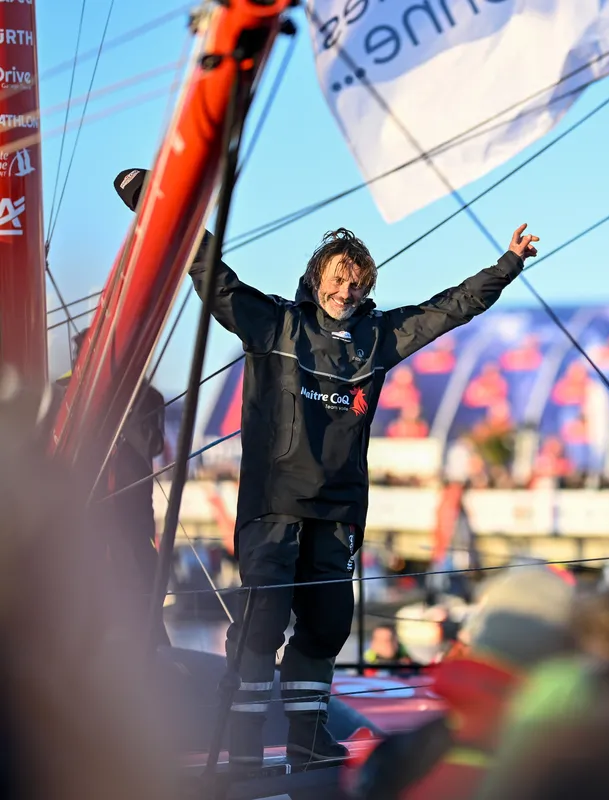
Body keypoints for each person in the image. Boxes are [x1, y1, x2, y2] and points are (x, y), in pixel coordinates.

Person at [112, 167, 540, 768]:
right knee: (262, 622)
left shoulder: (379, 337)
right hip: (275, 504)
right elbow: (210, 273)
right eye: (338, 278)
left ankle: (307, 738)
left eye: (357, 282)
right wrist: (151, 200)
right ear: (317, 278)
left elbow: (451, 309)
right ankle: (241, 742)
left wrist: (508, 264)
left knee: (328, 623)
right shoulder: (275, 323)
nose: (347, 289)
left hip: (338, 510)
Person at [54, 327, 169, 647]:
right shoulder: (61, 394)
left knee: (143, 625)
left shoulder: (146, 399)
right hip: (84, 539)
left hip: (129, 539)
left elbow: (152, 445)